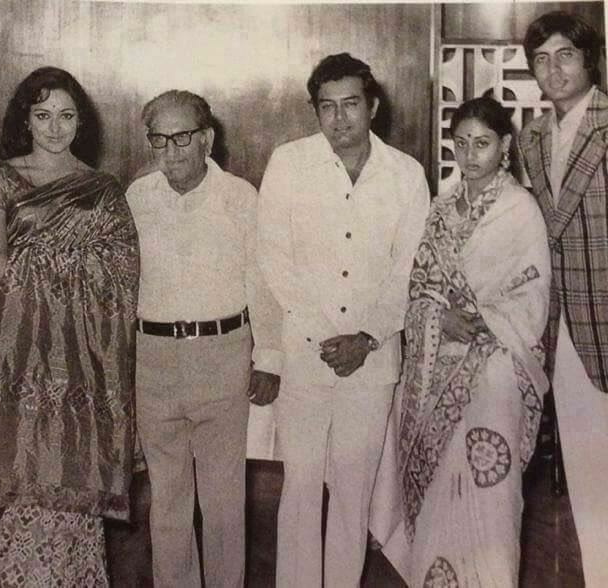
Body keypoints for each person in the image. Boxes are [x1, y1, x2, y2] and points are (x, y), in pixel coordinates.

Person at [256, 53, 429, 587]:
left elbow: (410, 269)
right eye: (327, 107)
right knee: (301, 489)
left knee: (354, 493)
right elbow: (273, 258)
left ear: (372, 106)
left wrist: (367, 337)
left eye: (350, 104)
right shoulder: (288, 163)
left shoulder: (406, 174)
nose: (339, 118)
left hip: (373, 362)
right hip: (306, 358)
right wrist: (326, 335)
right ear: (315, 111)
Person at [0, 66, 139, 586]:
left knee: (76, 473)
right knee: (28, 467)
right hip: (21, 348)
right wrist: (68, 259)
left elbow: (124, 272)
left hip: (88, 356)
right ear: (26, 120)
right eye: (43, 116)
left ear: (81, 121)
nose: (55, 128)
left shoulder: (103, 188)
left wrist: (49, 260)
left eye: (66, 116)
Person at [373, 96, 551, 586]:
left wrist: (480, 320)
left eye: (482, 144)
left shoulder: (520, 211)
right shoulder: (440, 210)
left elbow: (533, 297)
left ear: (504, 145)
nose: (471, 155)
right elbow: (418, 288)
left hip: (496, 371)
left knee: (490, 496)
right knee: (437, 498)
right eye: (462, 143)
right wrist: (439, 317)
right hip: (435, 370)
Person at [126, 89, 281, 588]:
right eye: (159, 139)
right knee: (167, 501)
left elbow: (262, 281)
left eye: (182, 138)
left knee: (223, 501)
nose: (170, 151)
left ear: (207, 139)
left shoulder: (241, 197)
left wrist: (269, 358)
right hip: (153, 360)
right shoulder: (136, 198)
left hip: (222, 356)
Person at [519, 11, 608, 586]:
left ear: (590, 60)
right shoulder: (531, 138)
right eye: (541, 59)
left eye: (565, 55)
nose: (553, 70)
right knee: (586, 470)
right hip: (565, 332)